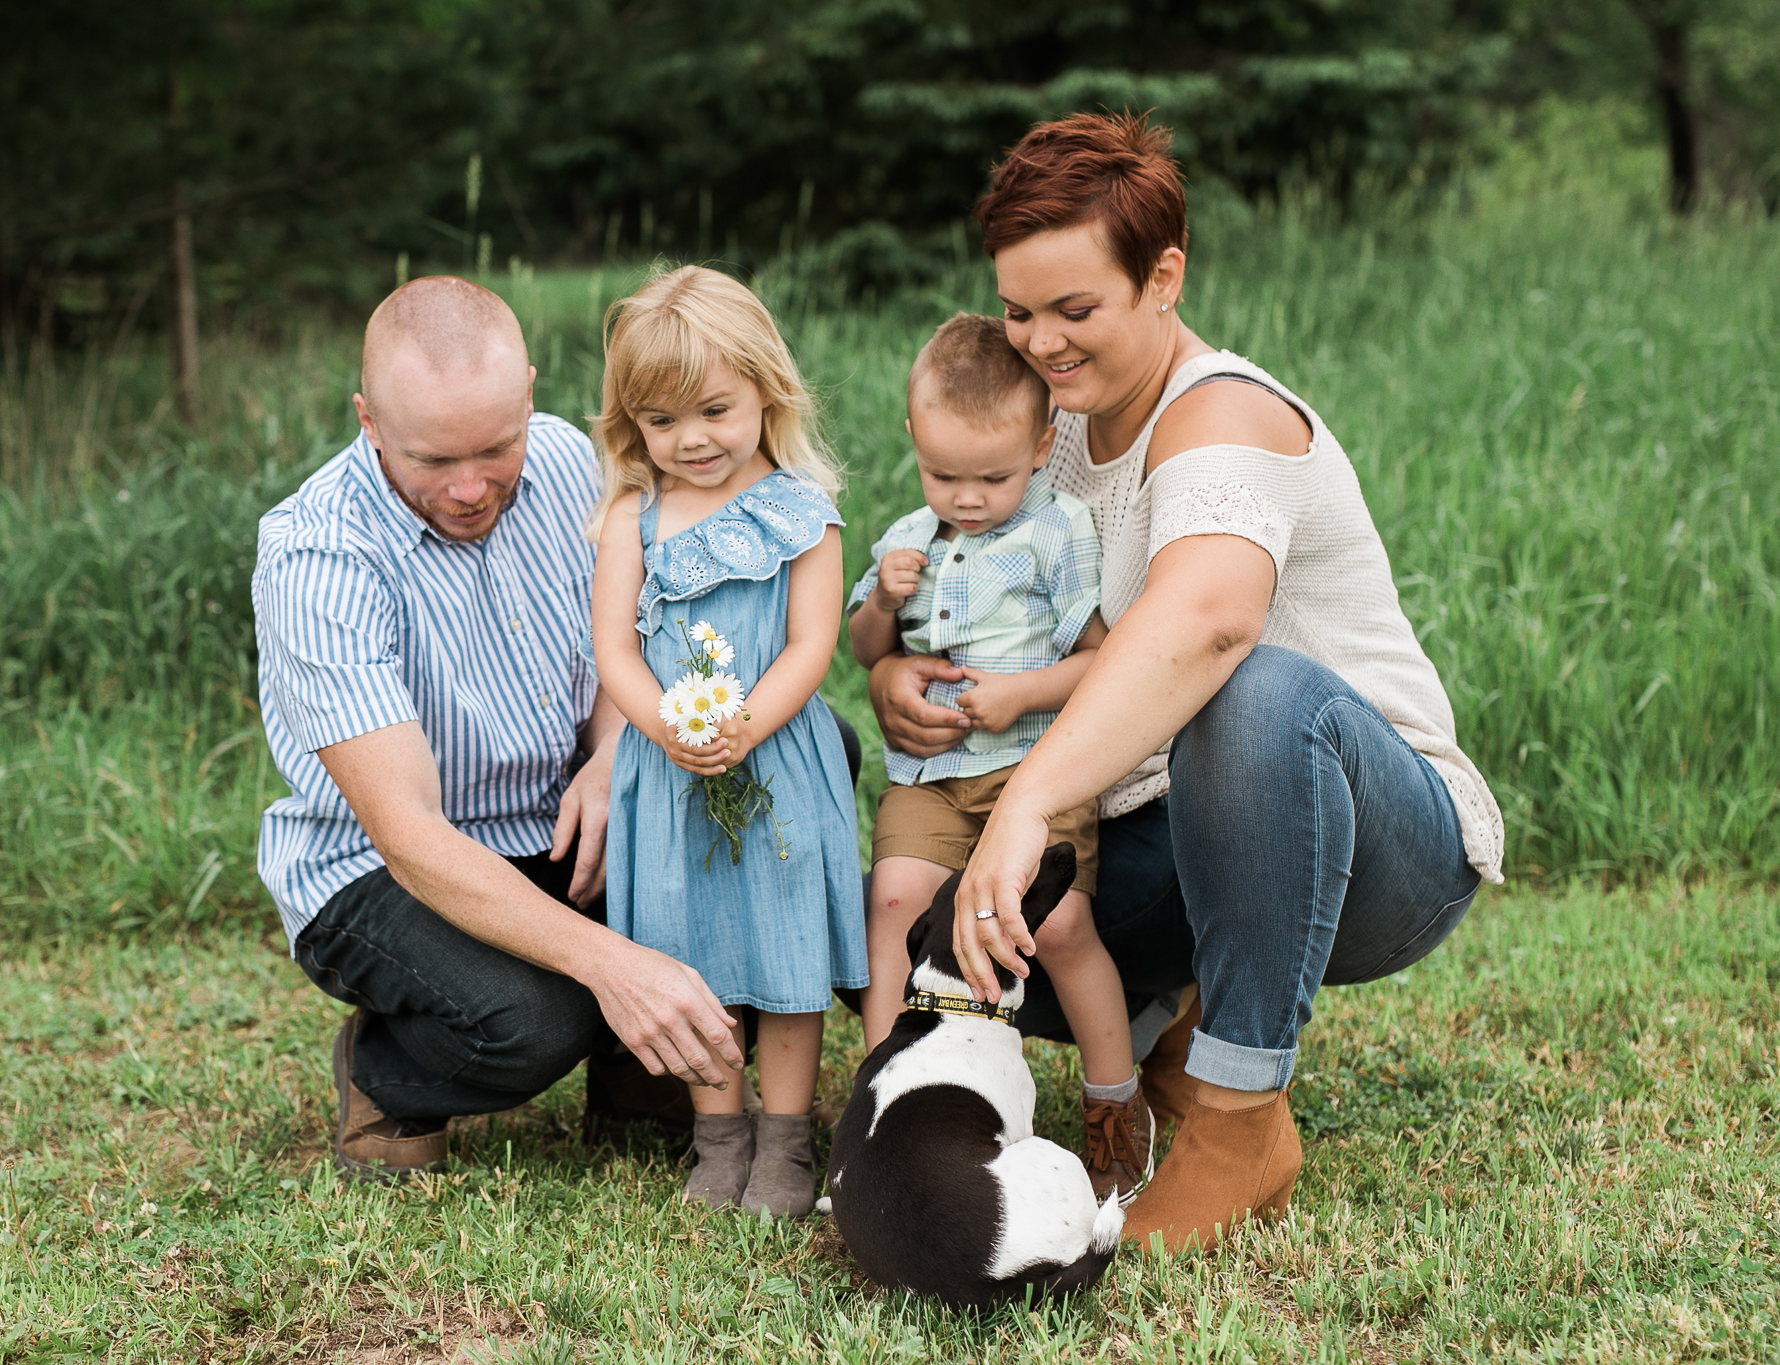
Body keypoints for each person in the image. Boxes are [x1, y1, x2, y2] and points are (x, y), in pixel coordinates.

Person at [871, 113, 1504, 1250]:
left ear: (1162, 277)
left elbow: (1207, 624)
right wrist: (904, 677)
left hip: (1372, 841)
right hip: (1163, 830)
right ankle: (1160, 1024)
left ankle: (1238, 1118)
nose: (1042, 344)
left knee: (1251, 689)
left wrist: (1020, 806)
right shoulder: (1048, 424)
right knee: (907, 903)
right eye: (1019, 311)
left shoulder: (1221, 414)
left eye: (1076, 310)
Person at [252, 275, 748, 1183]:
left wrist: (614, 750)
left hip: (557, 814)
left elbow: (633, 635)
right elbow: (410, 838)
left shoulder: (567, 460)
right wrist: (617, 965)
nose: (471, 486)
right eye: (432, 460)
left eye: (494, 446)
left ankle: (639, 1072)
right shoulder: (317, 556)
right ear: (367, 419)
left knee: (781, 761)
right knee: (532, 1021)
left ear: (528, 390)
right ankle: (386, 1072)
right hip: (381, 871)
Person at [846, 312, 1148, 1202]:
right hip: (931, 776)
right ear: (914, 441)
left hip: (1033, 764)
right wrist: (881, 612)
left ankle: (1112, 1110)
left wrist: (1021, 693)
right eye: (944, 474)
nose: (967, 497)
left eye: (994, 476)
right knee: (894, 902)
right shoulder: (909, 538)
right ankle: (878, 1105)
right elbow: (865, 648)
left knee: (1055, 926)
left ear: (1042, 443)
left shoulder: (1057, 533)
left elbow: (1103, 662)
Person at [589, 266, 866, 1218]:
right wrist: (669, 723)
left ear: (765, 390)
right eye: (662, 422)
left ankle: (787, 1138)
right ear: (633, 425)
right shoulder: (636, 518)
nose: (691, 439)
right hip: (670, 772)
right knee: (694, 948)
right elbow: (615, 650)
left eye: (713, 409)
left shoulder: (802, 509)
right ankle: (720, 1130)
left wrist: (745, 723)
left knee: (783, 952)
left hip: (776, 758)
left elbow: (812, 644)